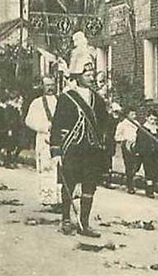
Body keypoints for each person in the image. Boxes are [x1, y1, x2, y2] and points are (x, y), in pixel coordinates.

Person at [50, 42, 110, 238]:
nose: (90, 78)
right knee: (69, 183)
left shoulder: (98, 100)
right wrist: (56, 151)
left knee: (89, 186)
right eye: (87, 74)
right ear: (77, 75)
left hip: (92, 150)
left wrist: (113, 114)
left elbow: (104, 125)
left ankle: (84, 223)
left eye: (92, 75)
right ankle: (66, 219)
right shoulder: (66, 98)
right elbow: (57, 126)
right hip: (72, 149)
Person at [25, 76, 61, 212]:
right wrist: (45, 126)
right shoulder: (37, 103)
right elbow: (29, 120)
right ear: (42, 86)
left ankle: (61, 199)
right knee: (47, 169)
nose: (50, 88)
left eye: (52, 85)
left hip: (59, 140)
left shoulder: (60, 100)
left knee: (60, 169)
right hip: (44, 138)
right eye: (47, 85)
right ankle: (50, 199)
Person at [134, 109, 158, 198]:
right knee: (149, 171)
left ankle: (152, 185)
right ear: (147, 118)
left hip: (157, 154)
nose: (153, 121)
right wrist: (138, 152)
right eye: (151, 119)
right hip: (147, 154)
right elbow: (139, 141)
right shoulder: (143, 129)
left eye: (155, 120)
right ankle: (149, 190)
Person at [114, 107, 141, 194]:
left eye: (135, 114)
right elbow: (117, 136)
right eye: (132, 114)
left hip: (136, 145)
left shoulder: (136, 123)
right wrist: (125, 140)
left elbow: (140, 133)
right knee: (129, 165)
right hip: (127, 146)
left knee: (136, 164)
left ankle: (132, 176)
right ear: (127, 115)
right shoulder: (122, 124)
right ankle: (130, 186)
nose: (134, 116)